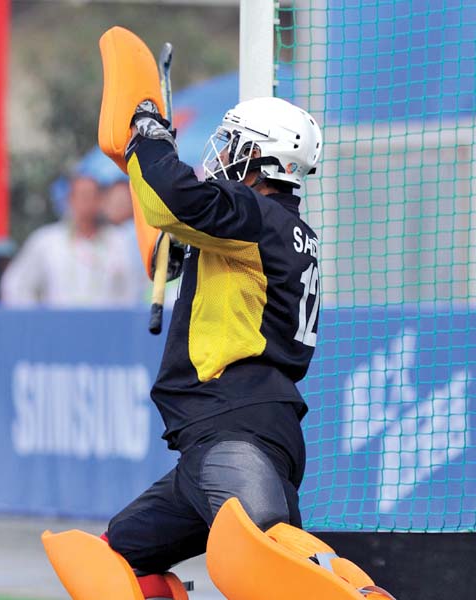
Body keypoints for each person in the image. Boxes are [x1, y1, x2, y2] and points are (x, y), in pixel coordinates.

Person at [102, 96, 324, 596]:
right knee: (112, 560)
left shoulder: (255, 215)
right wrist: (186, 249)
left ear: (260, 156)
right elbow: (194, 230)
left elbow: (173, 199)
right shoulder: (278, 227)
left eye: (232, 143)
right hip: (224, 436)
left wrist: (149, 138)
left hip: (235, 431)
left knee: (272, 570)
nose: (222, 154)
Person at [0, 173, 138, 307]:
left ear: (100, 201)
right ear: (70, 200)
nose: (86, 202)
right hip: (57, 325)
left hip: (106, 325)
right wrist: (35, 321)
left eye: (92, 196)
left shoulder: (119, 242)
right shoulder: (47, 241)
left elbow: (131, 291)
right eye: (82, 196)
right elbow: (15, 285)